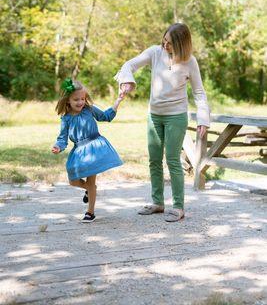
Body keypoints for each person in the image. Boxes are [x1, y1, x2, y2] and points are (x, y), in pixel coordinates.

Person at [115, 22, 210, 222]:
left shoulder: (190, 62)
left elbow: (199, 92)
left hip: (176, 116)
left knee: (173, 159)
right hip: (154, 115)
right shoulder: (155, 52)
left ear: (182, 44)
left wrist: (203, 118)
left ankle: (178, 206)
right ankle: (157, 202)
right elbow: (129, 65)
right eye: (164, 40)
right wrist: (127, 80)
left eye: (170, 43)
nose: (164, 45)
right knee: (154, 160)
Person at [52, 78, 124, 223]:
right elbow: (62, 138)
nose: (80, 102)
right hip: (79, 151)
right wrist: (58, 146)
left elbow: (105, 116)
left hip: (95, 148)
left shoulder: (89, 110)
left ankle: (90, 212)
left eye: (83, 99)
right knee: (73, 180)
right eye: (76, 99)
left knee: (91, 182)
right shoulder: (66, 119)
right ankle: (90, 190)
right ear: (68, 101)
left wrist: (118, 101)